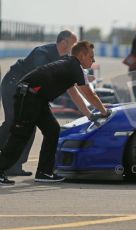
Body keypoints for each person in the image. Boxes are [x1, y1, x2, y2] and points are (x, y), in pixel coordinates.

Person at [0, 41, 111, 185]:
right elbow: (90, 94)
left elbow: (74, 93)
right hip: (27, 97)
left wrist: (89, 115)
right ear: (82, 56)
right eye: (91, 57)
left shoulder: (70, 65)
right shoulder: (74, 67)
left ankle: (44, 172)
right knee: (20, 135)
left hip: (37, 99)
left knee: (52, 130)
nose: (94, 60)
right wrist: (104, 111)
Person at [0, 30, 77, 176]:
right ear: (63, 43)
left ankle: (15, 166)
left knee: (29, 126)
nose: (74, 48)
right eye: (73, 45)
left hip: (29, 91)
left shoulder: (64, 57)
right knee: (14, 123)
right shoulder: (42, 53)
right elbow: (41, 74)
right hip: (13, 84)